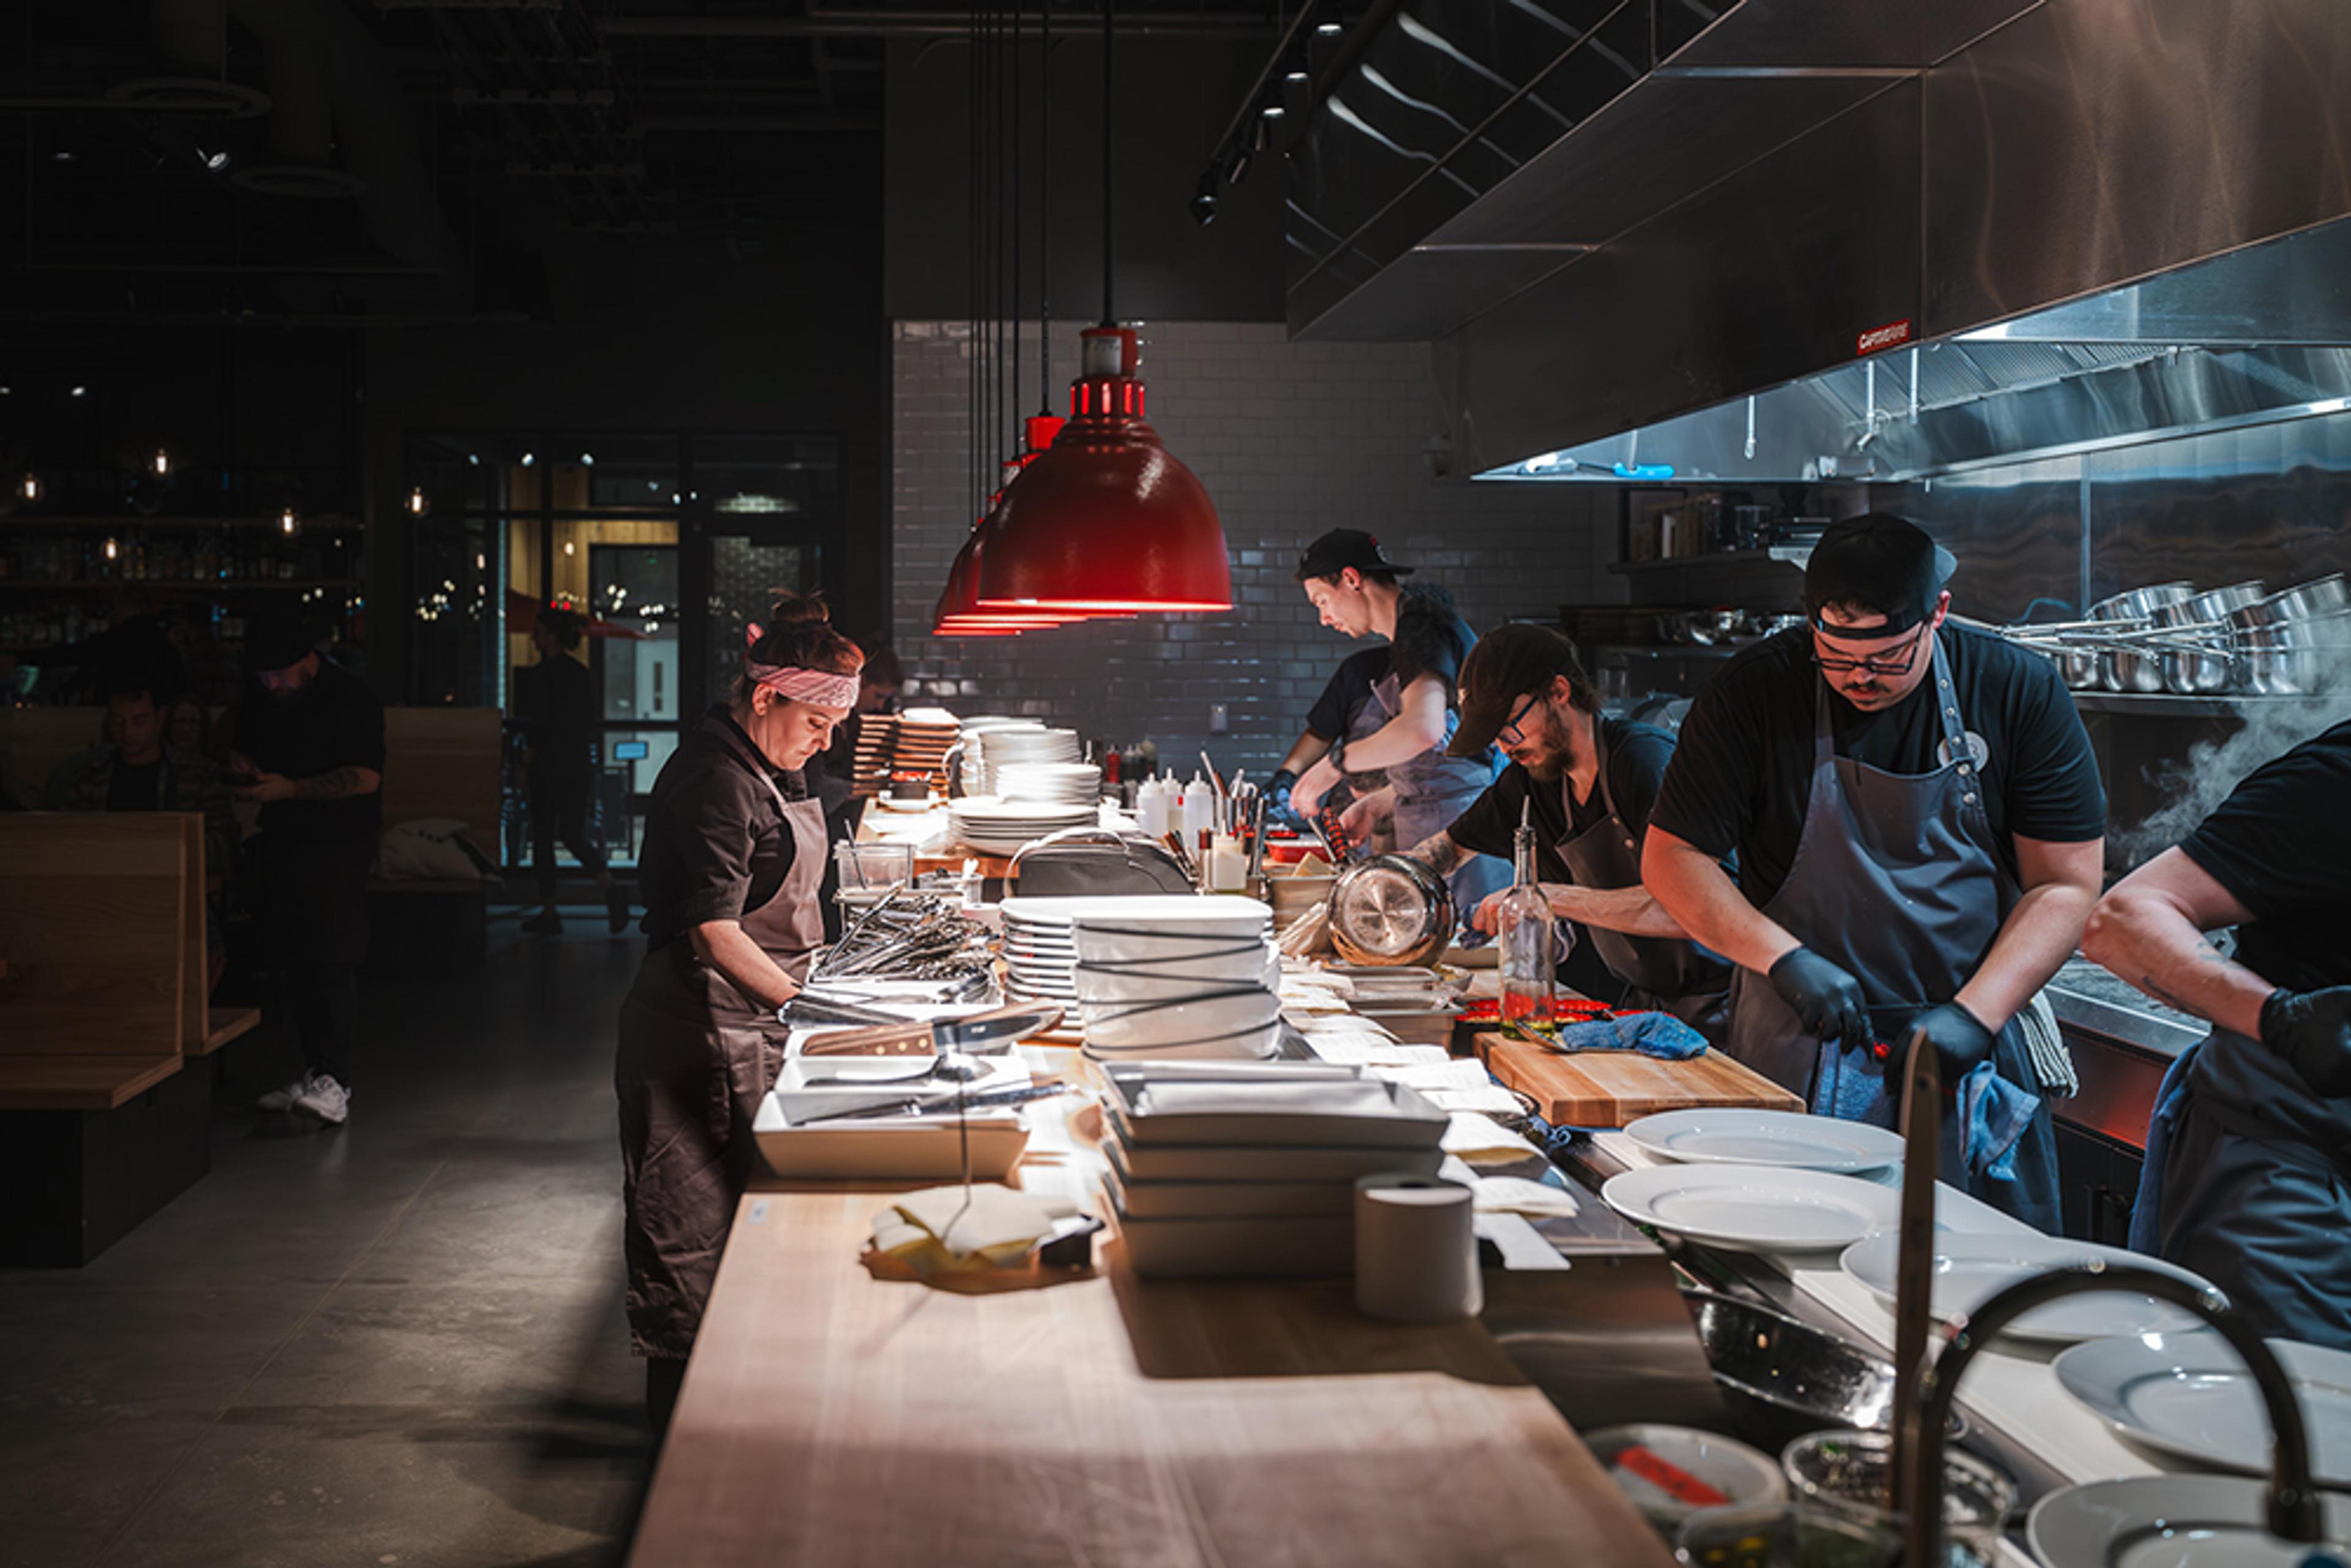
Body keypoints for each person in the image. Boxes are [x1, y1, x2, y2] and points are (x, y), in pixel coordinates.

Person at [1641, 514, 2105, 1229]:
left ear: (1938, 614)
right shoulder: (1755, 693)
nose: (1860, 675)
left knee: (1974, 1274)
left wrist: (1974, 1015)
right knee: (1792, 1254)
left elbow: (2066, 883)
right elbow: (1672, 858)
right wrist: (1782, 957)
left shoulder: (2015, 688)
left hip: (1961, 1049)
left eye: (1888, 656)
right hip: (1797, 1039)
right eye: (1837, 652)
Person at [616, 593, 860, 1436]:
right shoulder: (715, 780)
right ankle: (677, 1459)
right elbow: (717, 934)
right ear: (766, 697)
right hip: (696, 1029)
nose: (826, 741)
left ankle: (741, 1424)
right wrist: (822, 1008)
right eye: (817, 721)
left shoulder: (769, 764)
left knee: (753, 1235)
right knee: (688, 1248)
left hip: (754, 1027)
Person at [2082, 719, 2351, 1350]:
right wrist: (2281, 1018)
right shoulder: (2335, 781)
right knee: (2283, 1423)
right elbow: (2123, 920)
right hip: (2296, 1177)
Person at [1381, 623, 1731, 1032]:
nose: (1504, 746)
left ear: (1559, 691)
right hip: (1641, 1005)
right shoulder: (1534, 779)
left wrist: (1542, 897)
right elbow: (1449, 847)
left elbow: (1701, 908)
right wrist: (1383, 891)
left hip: (1717, 1010)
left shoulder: (1642, 762)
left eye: (1509, 725)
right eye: (1494, 736)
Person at [1284, 528, 1505, 912]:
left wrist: (1334, 765)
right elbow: (1445, 759)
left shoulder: (1419, 627)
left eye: (1322, 601)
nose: (1323, 618)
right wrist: (1377, 805)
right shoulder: (1412, 629)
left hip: (1467, 840)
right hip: (1443, 824)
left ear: (1352, 580)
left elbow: (1424, 729)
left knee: (1468, 955)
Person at [224, 613, 387, 1130]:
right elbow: (237, 739)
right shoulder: (261, 696)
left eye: (281, 674)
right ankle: (317, 1072)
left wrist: (291, 788)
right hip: (284, 837)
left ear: (308, 661)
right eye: (265, 677)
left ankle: (337, 1080)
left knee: (331, 953)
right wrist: (245, 769)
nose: (272, 684)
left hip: (341, 841)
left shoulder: (351, 698)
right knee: (294, 956)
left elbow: (365, 777)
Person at [515, 607, 628, 936]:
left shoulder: (541, 675)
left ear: (549, 636)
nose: (533, 636)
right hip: (576, 765)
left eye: (538, 631)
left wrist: (526, 763)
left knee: (544, 838)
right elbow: (586, 722)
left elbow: (539, 725)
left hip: (548, 766)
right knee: (573, 834)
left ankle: (550, 911)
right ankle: (610, 885)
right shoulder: (579, 673)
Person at [808, 642, 905, 942]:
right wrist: (855, 788)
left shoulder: (856, 724)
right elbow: (811, 787)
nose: (879, 706)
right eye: (877, 696)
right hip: (821, 828)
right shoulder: (824, 734)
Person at [1266, 645, 1394, 842]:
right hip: (1349, 817)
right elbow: (1322, 732)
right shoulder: (1360, 668)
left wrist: (1337, 763)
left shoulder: (1434, 671)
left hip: (1406, 818)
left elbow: (1420, 734)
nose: (1325, 620)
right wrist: (1287, 774)